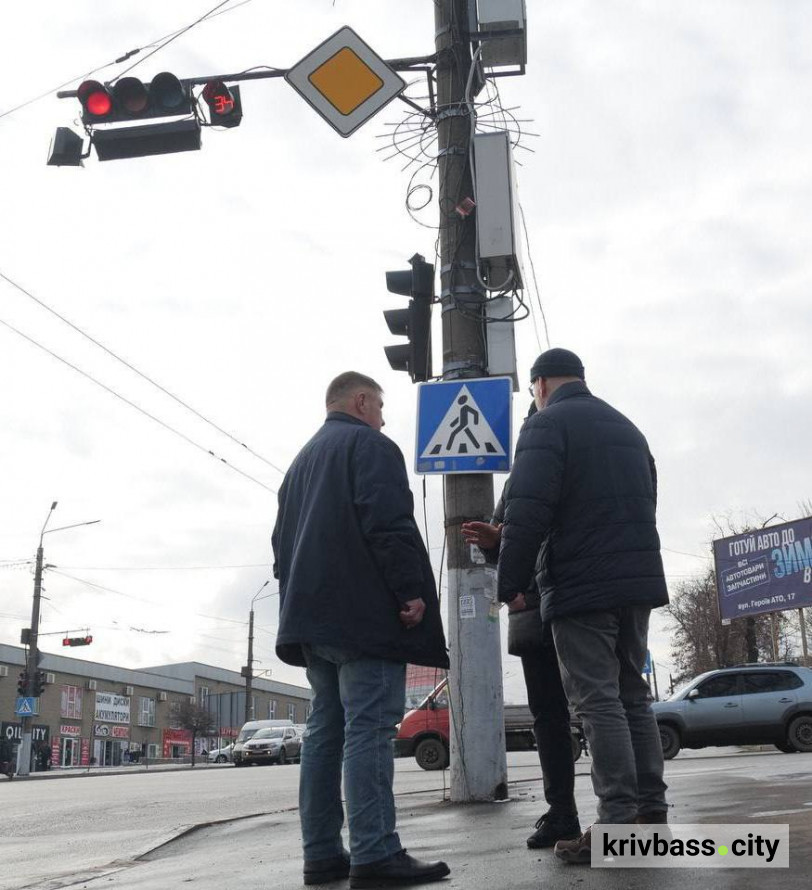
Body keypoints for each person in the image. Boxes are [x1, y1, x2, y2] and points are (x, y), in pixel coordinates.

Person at [272, 371, 451, 888]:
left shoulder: (299, 464)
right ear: (361, 400)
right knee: (369, 730)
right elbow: (388, 522)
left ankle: (323, 854)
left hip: (311, 623)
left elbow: (280, 548)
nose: (384, 418)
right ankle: (376, 854)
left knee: (325, 732)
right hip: (362, 617)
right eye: (379, 407)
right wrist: (409, 591)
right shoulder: (369, 446)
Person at [496, 348, 669, 865]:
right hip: (636, 583)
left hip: (580, 586)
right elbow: (648, 501)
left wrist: (509, 582)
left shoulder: (546, 427)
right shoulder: (628, 428)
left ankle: (617, 821)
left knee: (597, 701)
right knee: (632, 696)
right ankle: (651, 815)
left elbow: (527, 510)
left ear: (541, 385)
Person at [461, 403, 581, 850]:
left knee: (598, 707)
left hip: (572, 601)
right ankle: (564, 813)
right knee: (550, 717)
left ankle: (621, 814)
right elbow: (503, 544)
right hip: (534, 609)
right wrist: (496, 543)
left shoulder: (579, 462)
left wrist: (506, 546)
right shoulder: (515, 483)